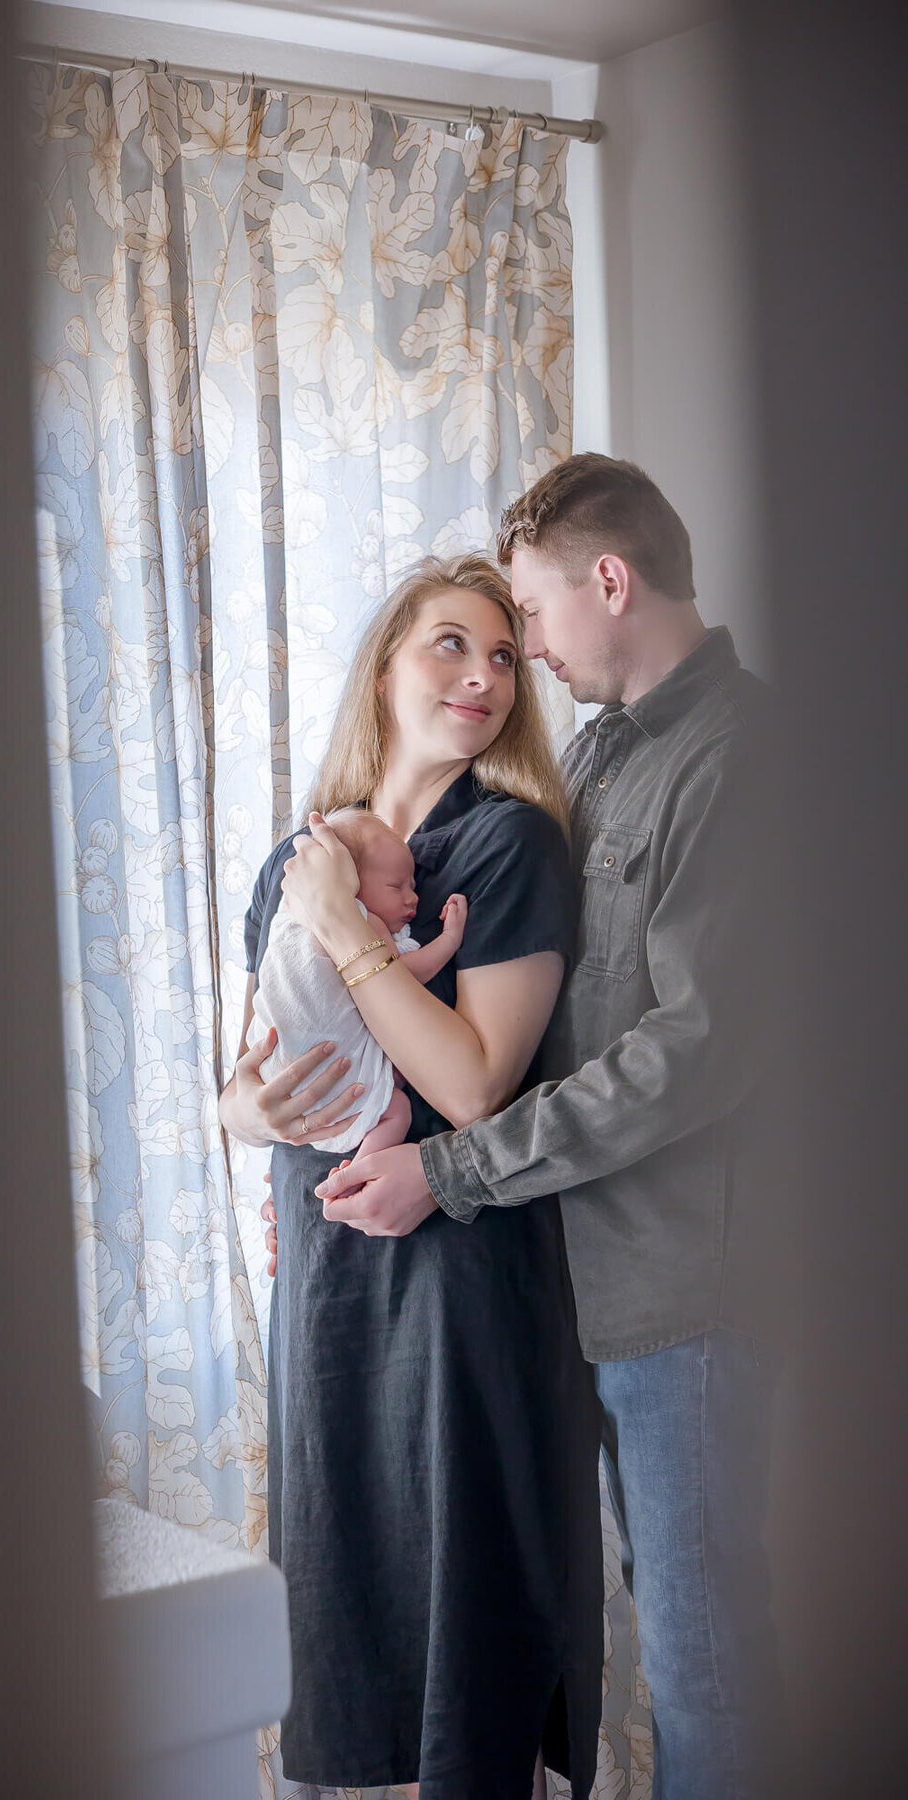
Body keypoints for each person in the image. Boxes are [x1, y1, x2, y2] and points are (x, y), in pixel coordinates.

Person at [303, 456, 779, 1800]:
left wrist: (446, 1169)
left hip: (694, 1295)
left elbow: (688, 1058)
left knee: (710, 1676)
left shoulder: (740, 758)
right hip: (590, 1291)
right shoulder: (608, 756)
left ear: (609, 582)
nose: (519, 660)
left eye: (526, 619)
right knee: (673, 1667)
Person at [219, 554, 603, 1800]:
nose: (484, 677)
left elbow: (472, 1084)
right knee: (353, 1635)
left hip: (457, 1291)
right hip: (327, 1288)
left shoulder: (507, 845)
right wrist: (243, 1109)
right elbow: (241, 1074)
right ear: (385, 667)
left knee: (466, 1655)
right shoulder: (304, 850)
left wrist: (345, 928)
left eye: (503, 655)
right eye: (450, 644)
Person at [246, 807, 468, 1158]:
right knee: (397, 1109)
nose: (413, 897)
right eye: (396, 886)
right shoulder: (360, 920)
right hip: (315, 1069)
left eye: (412, 885)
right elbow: (402, 975)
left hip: (278, 1072)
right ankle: (356, 1173)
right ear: (349, 881)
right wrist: (449, 940)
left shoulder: (289, 914)